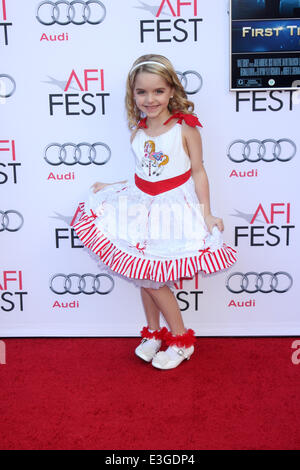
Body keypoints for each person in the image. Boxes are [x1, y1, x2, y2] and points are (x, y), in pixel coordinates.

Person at [70, 54, 237, 370]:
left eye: (158, 91)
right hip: (139, 206)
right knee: (143, 273)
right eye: (141, 92)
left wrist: (207, 213)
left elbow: (198, 172)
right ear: (132, 95)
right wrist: (112, 184)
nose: (150, 99)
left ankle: (181, 338)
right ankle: (154, 333)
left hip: (171, 211)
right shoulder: (138, 131)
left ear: (172, 91)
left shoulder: (186, 130)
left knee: (150, 276)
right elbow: (144, 173)